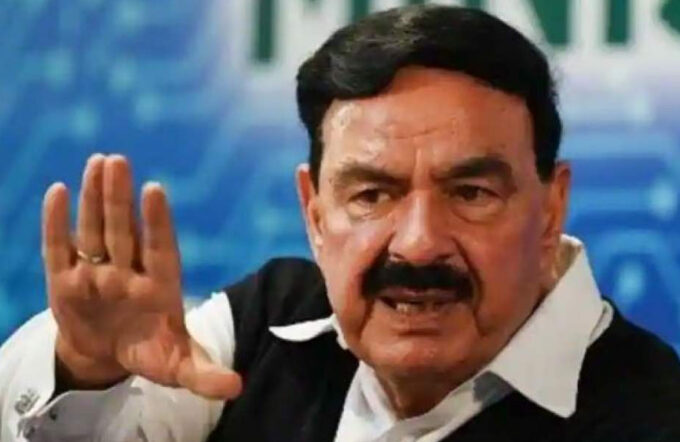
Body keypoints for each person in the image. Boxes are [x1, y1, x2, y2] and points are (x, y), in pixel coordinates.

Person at [1, 4, 680, 441]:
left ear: (550, 209)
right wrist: (87, 367)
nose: (419, 243)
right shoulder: (265, 327)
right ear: (314, 211)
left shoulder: (653, 414)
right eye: (372, 195)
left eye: (471, 193)